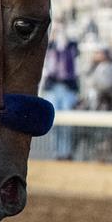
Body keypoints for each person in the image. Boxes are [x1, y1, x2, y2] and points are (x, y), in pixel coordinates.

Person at [40, 28, 80, 159]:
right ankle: (58, 152)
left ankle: (66, 151)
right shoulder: (50, 47)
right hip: (52, 89)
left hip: (67, 89)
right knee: (54, 123)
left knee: (67, 124)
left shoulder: (71, 47)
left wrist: (66, 41)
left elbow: (75, 52)